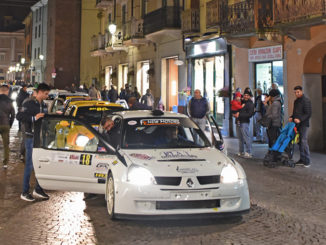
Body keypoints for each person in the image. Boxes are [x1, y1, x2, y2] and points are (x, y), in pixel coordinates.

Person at [16, 83, 51, 201]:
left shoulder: (44, 105)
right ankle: (25, 192)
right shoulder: (28, 103)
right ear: (40, 92)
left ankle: (38, 189)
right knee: (29, 165)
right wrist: (33, 118)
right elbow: (19, 116)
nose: (47, 96)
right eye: (46, 94)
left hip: (40, 138)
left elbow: (44, 119)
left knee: (41, 164)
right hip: (30, 137)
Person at [289, 85, 312, 167]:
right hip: (297, 125)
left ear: (301, 91)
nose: (296, 94)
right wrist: (292, 117)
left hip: (304, 125)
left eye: (298, 92)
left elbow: (308, 113)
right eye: (295, 92)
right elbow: (295, 112)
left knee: (303, 141)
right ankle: (302, 159)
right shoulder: (296, 101)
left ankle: (307, 161)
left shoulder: (306, 100)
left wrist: (300, 119)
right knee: (299, 143)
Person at [233, 90, 255, 158]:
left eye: (247, 95)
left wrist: (239, 115)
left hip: (244, 122)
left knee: (246, 137)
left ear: (250, 96)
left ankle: (249, 152)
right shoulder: (241, 102)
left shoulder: (250, 104)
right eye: (245, 95)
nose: (246, 96)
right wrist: (234, 114)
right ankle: (241, 151)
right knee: (240, 138)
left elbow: (250, 114)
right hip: (238, 122)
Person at [0, 85, 15, 169]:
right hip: (5, 124)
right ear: (7, 91)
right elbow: (13, 115)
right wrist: (10, 124)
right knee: (6, 145)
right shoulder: (9, 102)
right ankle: (5, 163)